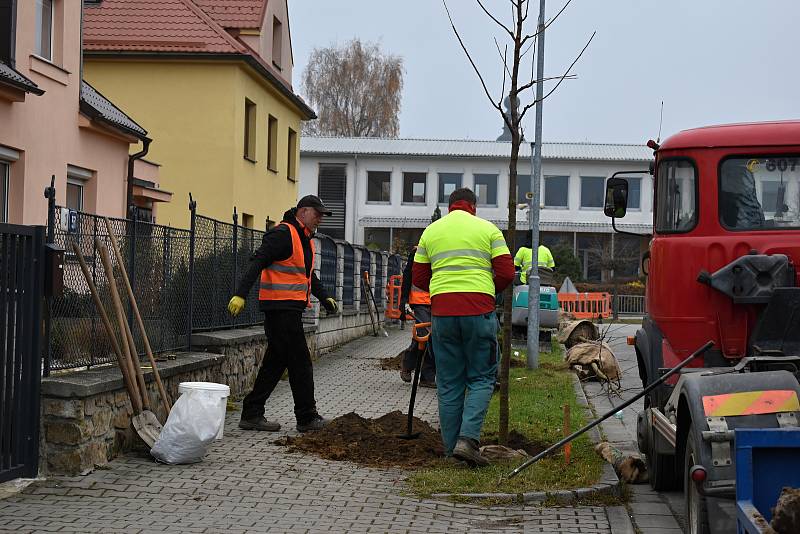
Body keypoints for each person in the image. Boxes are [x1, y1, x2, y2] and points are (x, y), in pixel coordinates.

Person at [412, 188, 515, 466]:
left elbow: (419, 277)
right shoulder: (489, 230)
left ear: (449, 207)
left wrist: (442, 288)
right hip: (478, 311)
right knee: (481, 378)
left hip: (442, 314)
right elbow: (507, 273)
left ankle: (450, 452)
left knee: (449, 382)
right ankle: (467, 441)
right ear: (474, 207)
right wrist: (486, 291)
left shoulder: (431, 232)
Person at [228, 195, 339, 433]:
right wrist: (240, 294)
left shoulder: (304, 239)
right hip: (280, 309)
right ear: (303, 212)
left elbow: (307, 275)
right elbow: (258, 261)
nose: (320, 219)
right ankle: (307, 417)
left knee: (275, 363)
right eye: (317, 214)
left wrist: (325, 296)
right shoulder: (283, 234)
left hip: (290, 309)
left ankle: (251, 413)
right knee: (300, 363)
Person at [399, 246, 436, 388]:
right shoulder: (418, 251)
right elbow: (408, 275)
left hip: (439, 299)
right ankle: (412, 366)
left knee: (432, 337)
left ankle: (426, 377)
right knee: (426, 335)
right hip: (420, 300)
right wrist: (403, 301)